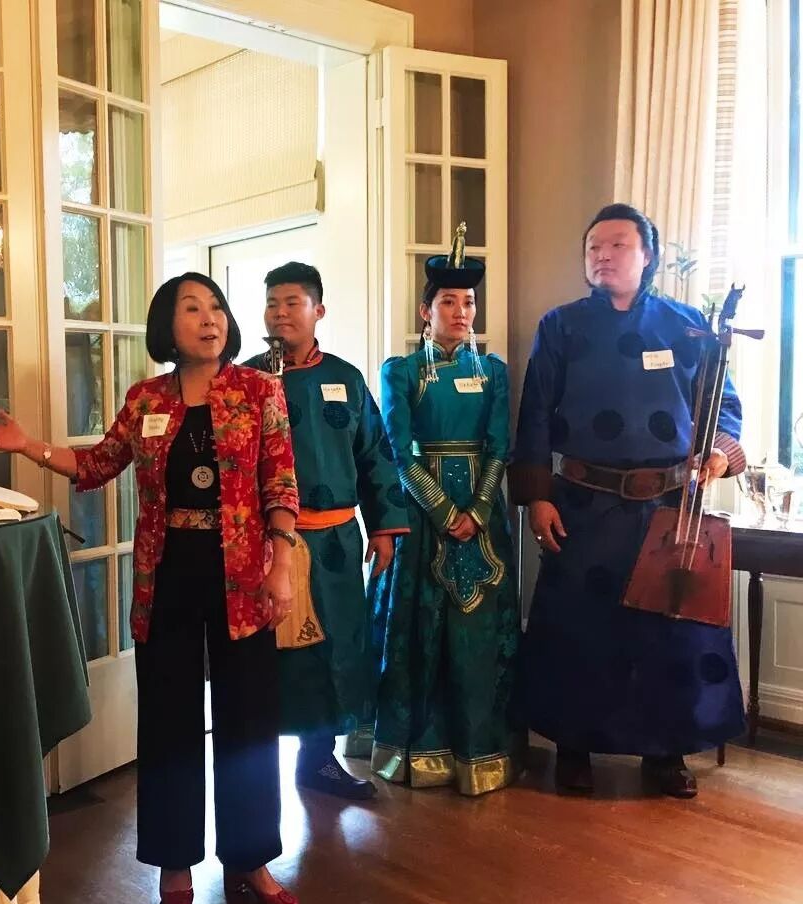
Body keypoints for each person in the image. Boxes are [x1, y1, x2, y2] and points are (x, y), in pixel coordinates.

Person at [0, 273, 302, 904]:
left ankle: (251, 857)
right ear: (167, 327)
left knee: (248, 719)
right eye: (192, 309)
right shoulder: (145, 398)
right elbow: (97, 464)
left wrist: (282, 563)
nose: (209, 319)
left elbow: (281, 479)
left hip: (243, 574)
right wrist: (28, 446)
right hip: (167, 572)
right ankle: (174, 861)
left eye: (215, 307)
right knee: (168, 720)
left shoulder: (259, 389)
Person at [511, 203, 747, 798]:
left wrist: (719, 456)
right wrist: (538, 498)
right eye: (594, 247)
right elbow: (535, 412)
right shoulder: (561, 326)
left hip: (667, 509)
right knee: (580, 630)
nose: (603, 256)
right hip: (584, 504)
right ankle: (573, 748)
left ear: (648, 256)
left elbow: (723, 405)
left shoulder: (688, 326)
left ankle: (666, 753)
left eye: (617, 245)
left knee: (667, 633)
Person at [245, 261, 407, 801]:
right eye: (272, 303)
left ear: (319, 310)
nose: (280, 313)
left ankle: (318, 761)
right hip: (268, 542)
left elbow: (375, 454)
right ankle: (253, 772)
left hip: (337, 541)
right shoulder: (245, 381)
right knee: (273, 655)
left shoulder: (347, 378)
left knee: (335, 649)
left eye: (292, 302)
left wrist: (383, 528)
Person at [367, 239, 523, 796]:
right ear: (425, 311)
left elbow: (500, 445)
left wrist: (477, 512)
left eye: (468, 303)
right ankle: (418, 748)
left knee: (478, 634)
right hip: (421, 513)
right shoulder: (402, 371)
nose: (461, 312)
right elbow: (398, 447)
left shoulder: (494, 372)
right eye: (448, 302)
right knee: (420, 628)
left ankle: (480, 748)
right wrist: (442, 509)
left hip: (482, 518)